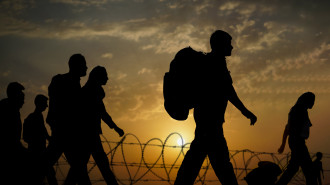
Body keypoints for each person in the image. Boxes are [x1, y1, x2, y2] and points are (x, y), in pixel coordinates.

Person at [174, 30, 257, 185]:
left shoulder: (214, 62)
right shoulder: (216, 63)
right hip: (210, 121)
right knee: (218, 164)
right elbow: (228, 91)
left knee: (199, 161)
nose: (232, 47)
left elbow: (227, 90)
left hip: (207, 121)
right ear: (220, 45)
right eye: (229, 44)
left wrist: (245, 111)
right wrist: (245, 111)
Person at [42, 53, 91, 185]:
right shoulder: (65, 82)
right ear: (77, 66)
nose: (86, 67)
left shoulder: (66, 81)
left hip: (64, 132)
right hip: (65, 133)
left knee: (78, 168)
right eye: (84, 64)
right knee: (78, 168)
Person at [80, 66, 124, 185]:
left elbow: (102, 112)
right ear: (98, 77)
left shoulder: (90, 90)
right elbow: (102, 113)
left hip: (88, 133)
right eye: (105, 76)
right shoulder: (93, 92)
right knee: (101, 164)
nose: (107, 78)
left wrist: (115, 127)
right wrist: (116, 128)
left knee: (81, 167)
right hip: (89, 134)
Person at [277, 92, 317, 185]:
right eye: (312, 101)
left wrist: (283, 144)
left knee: (295, 168)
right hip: (298, 142)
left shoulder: (298, 109)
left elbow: (287, 128)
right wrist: (288, 144)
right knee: (308, 170)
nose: (313, 103)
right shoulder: (299, 110)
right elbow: (290, 129)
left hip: (296, 141)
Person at [23, 94, 58, 185]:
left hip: (38, 152)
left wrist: (49, 139)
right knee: (48, 174)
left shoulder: (36, 116)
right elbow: (41, 131)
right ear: (39, 104)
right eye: (45, 103)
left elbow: (43, 130)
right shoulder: (35, 117)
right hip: (38, 153)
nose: (46, 106)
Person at [0, 82, 28, 184]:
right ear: (14, 96)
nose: (23, 102)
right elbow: (10, 140)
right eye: (21, 98)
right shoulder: (7, 110)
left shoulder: (12, 110)